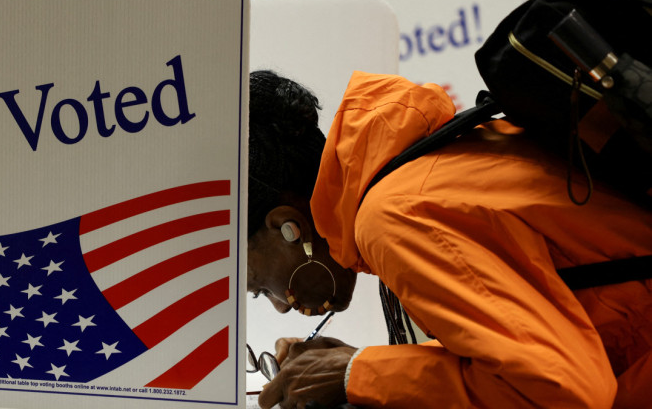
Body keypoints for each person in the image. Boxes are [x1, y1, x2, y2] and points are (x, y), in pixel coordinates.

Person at [246, 69, 652, 408]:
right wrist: (361, 366)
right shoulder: (415, 173)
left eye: (261, 288)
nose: (281, 308)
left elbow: (562, 391)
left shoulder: (394, 214)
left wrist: (358, 372)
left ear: (288, 226)